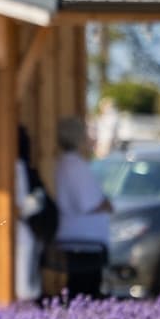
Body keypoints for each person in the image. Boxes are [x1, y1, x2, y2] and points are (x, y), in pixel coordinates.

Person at [0, 119, 40, 300]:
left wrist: (1, 222)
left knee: (23, 291)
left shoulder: (15, 167)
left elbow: (21, 207)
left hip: (18, 237)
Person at [51, 115, 114, 297]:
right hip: (85, 241)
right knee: (85, 290)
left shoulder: (68, 163)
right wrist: (107, 205)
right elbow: (90, 203)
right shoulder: (75, 166)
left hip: (81, 239)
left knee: (80, 287)